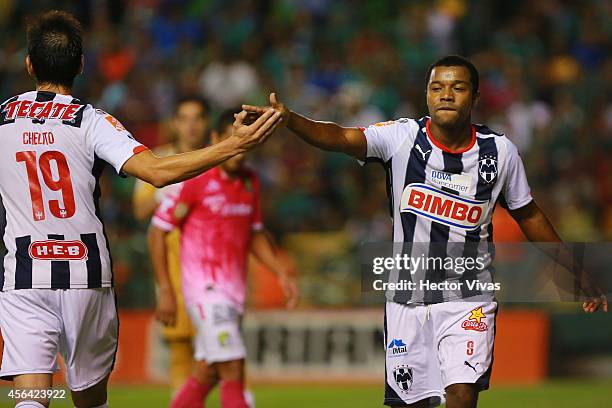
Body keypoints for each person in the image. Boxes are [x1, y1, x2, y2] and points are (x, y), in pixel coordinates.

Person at [243, 55, 607, 408]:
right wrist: (290, 119)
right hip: (407, 298)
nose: (445, 94)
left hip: (468, 295)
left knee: (462, 394)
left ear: (475, 98)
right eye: (437, 87)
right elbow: (339, 137)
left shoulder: (500, 152)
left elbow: (529, 214)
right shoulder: (402, 137)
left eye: (457, 87)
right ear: (427, 95)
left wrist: (572, 268)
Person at [0, 10, 282, 408]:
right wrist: (232, 146)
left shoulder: (3, 117)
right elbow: (157, 172)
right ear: (81, 64)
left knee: (32, 397)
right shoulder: (90, 120)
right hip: (86, 274)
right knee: (88, 397)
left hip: (24, 276)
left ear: (29, 64)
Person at [148, 109, 298, 408]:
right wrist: (165, 288)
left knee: (207, 372)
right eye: (233, 138)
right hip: (205, 292)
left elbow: (254, 233)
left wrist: (280, 271)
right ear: (217, 139)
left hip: (233, 293)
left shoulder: (250, 181)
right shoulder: (195, 178)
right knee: (233, 368)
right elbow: (157, 231)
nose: (241, 149)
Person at [132, 95, 211, 394]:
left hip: (211, 269)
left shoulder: (215, 158)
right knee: (180, 351)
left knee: (214, 356)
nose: (191, 126)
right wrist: (168, 189)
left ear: (205, 123)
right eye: (184, 119)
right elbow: (139, 211)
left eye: (198, 118)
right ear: (174, 124)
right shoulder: (157, 162)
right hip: (172, 269)